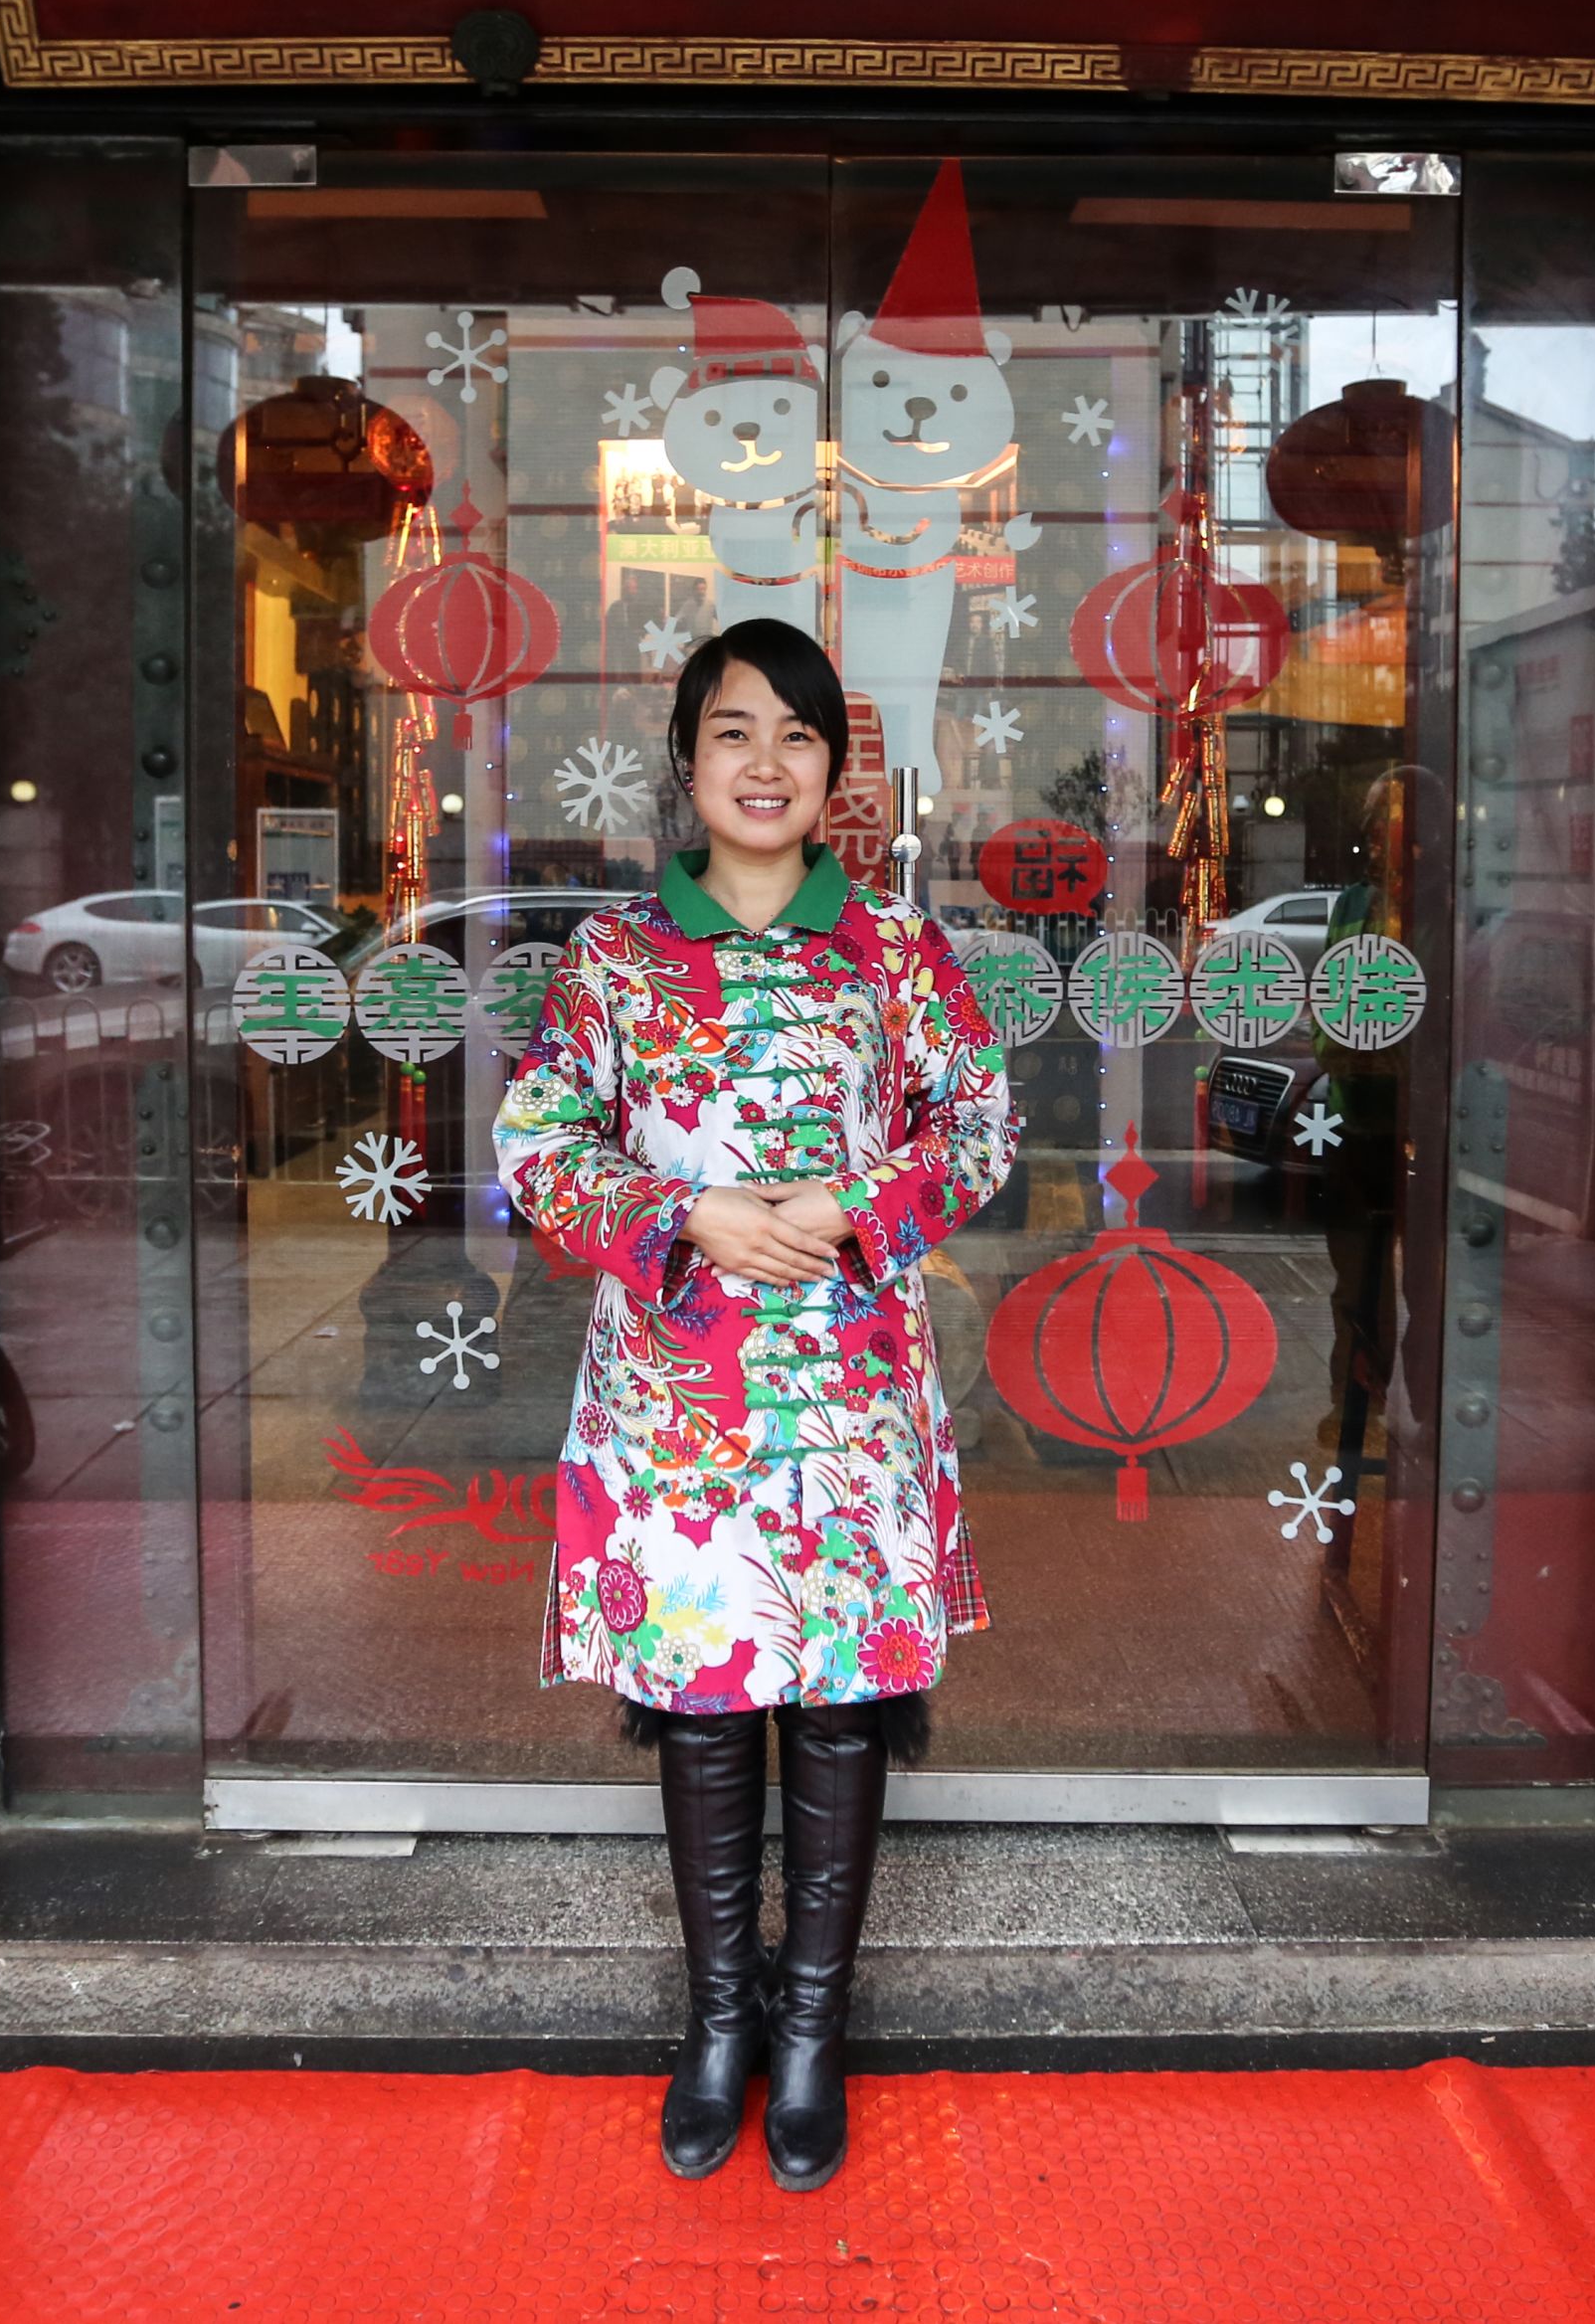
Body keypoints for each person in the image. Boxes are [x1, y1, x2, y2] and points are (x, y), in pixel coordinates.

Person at [493, 620, 1018, 2191]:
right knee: (711, 1701)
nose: (767, 763)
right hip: (678, 1393)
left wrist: (856, 1209)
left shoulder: (896, 951)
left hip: (850, 1387)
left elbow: (977, 1123)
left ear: (835, 776)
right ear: (687, 759)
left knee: (842, 1701)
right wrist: (689, 1218)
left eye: (799, 737)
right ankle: (718, 2023)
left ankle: (811, 2032)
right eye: (735, 733)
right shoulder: (614, 961)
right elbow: (537, 1144)